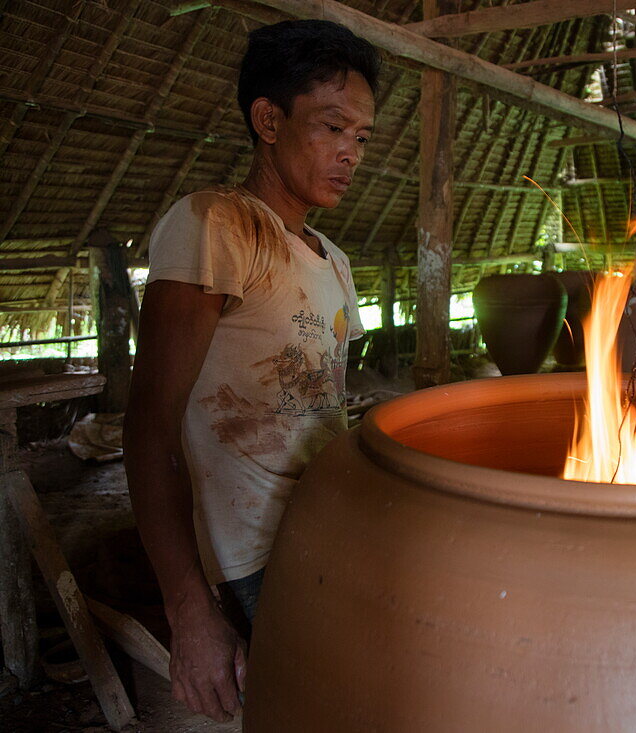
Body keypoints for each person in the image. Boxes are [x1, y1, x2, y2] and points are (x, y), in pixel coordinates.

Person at [123, 19, 380, 722]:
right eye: (332, 127)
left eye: (361, 137)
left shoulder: (334, 260)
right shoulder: (216, 226)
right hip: (252, 560)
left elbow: (324, 412)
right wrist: (191, 610)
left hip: (326, 531)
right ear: (268, 119)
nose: (350, 153)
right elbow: (149, 429)